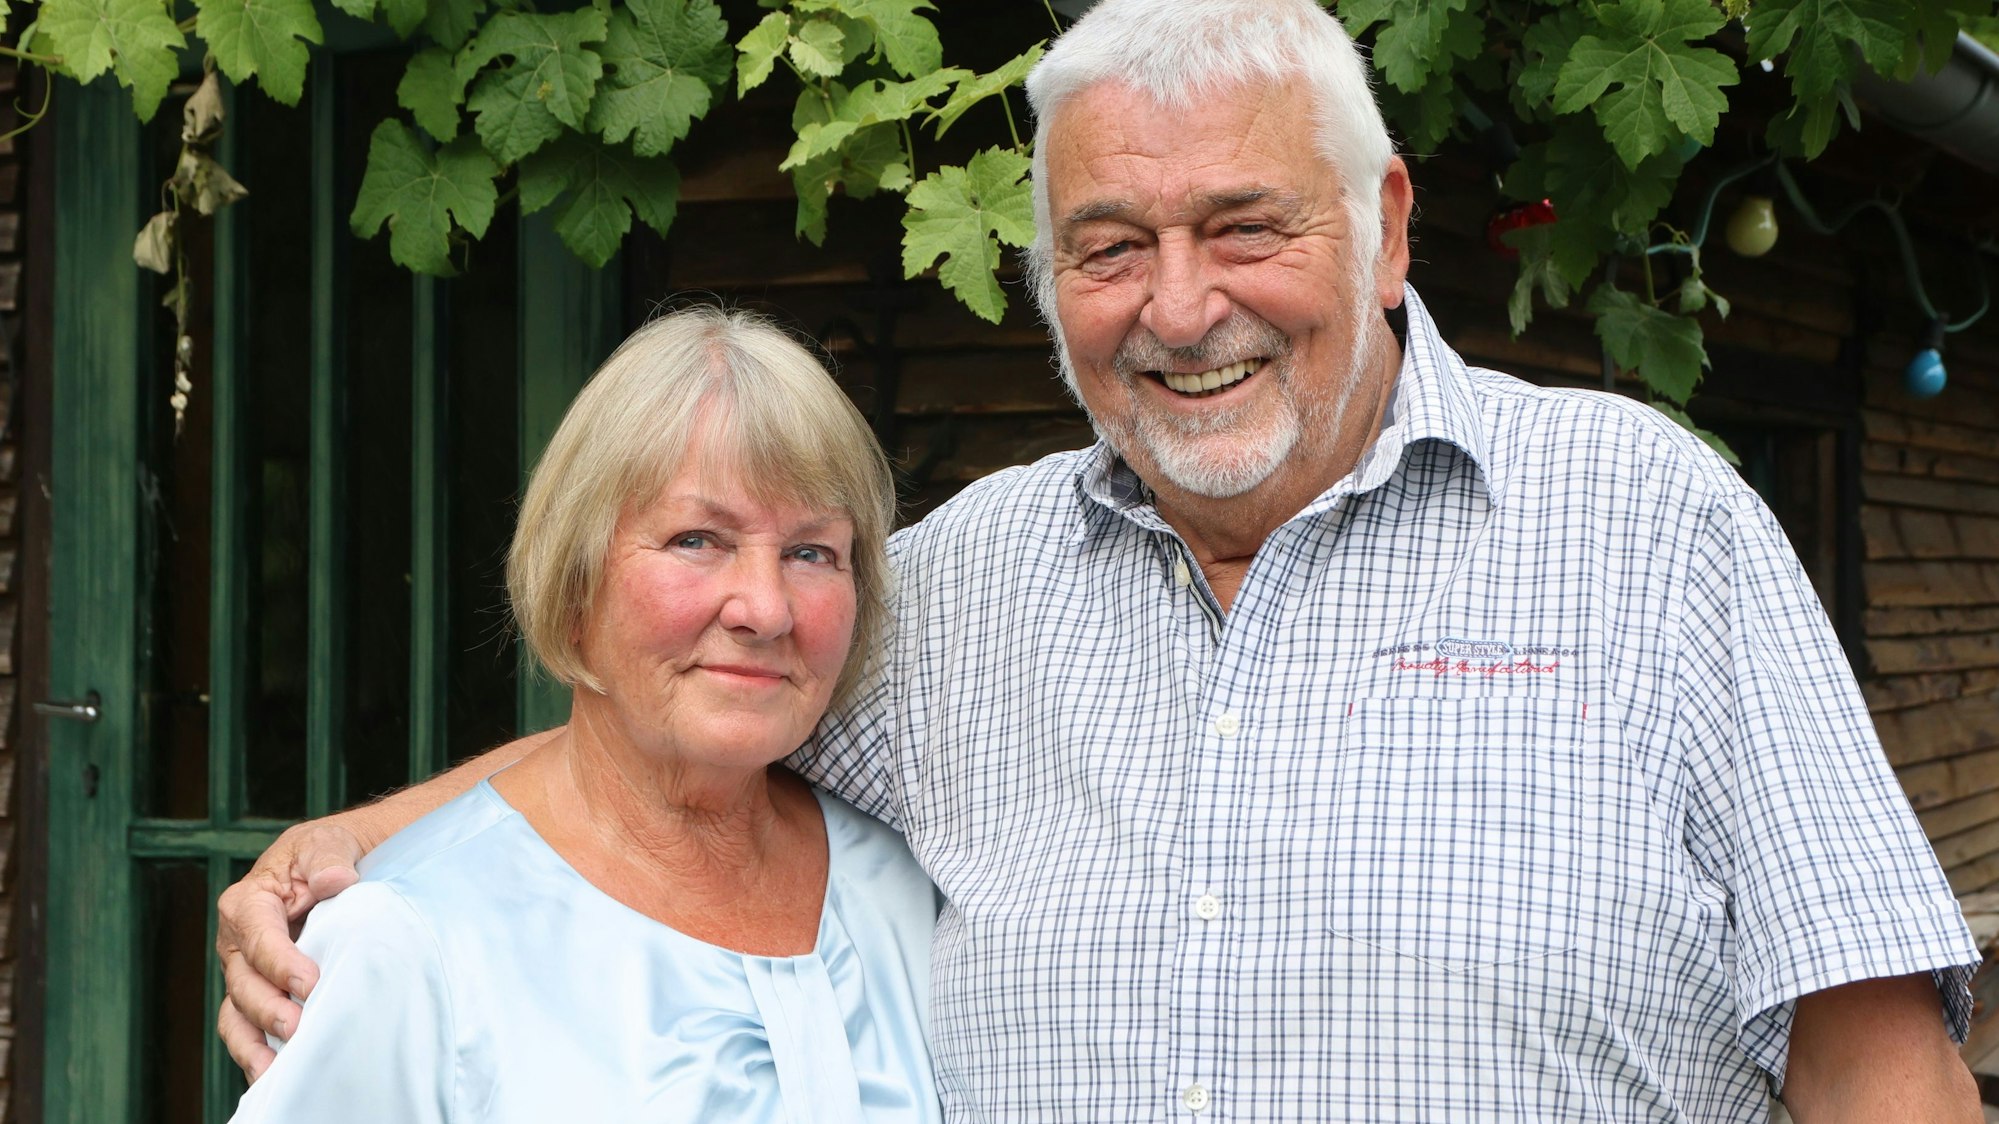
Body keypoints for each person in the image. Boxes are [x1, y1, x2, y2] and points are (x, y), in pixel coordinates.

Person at [219, 1, 1984, 1119]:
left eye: (1240, 226)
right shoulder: (965, 584)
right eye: (1108, 244)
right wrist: (346, 854)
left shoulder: (1645, 528)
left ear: (1379, 230)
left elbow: (1869, 1062)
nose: (1178, 306)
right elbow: (680, 710)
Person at [226, 306, 940, 1122]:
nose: (765, 608)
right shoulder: (408, 937)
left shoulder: (906, 887)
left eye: (811, 552)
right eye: (697, 539)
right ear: (573, 589)